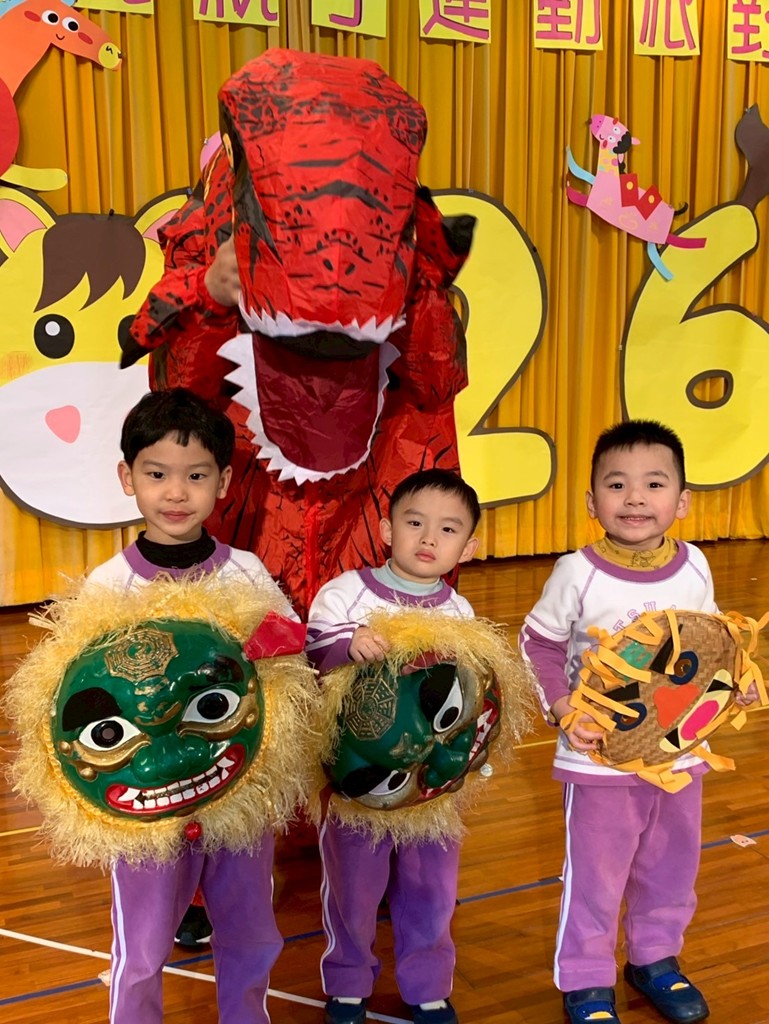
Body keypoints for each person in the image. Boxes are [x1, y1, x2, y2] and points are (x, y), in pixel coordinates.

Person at [520, 420, 758, 1024]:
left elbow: (709, 643)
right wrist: (563, 708)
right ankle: (586, 978)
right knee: (597, 875)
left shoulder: (695, 564)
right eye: (616, 484)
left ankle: (655, 958)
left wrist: (739, 679)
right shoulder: (577, 572)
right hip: (598, 759)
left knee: (671, 866)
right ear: (590, 500)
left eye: (654, 484)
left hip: (680, 755)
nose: (634, 498)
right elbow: (536, 644)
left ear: (682, 501)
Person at [85, 387, 296, 1024]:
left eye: (196, 476)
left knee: (250, 932)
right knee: (144, 944)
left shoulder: (246, 572)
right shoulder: (108, 586)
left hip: (237, 795)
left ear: (224, 482)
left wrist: (263, 643)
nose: (176, 493)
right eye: (157, 475)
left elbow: (288, 654)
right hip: (146, 806)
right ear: (127, 478)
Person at [305, 468, 481, 1024]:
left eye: (448, 529)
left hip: (432, 791)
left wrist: (468, 760)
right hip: (357, 787)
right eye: (414, 522)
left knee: (433, 890)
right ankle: (348, 982)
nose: (429, 538)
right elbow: (310, 651)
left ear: (468, 547)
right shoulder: (345, 593)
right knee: (353, 891)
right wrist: (347, 643)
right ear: (386, 529)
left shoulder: (460, 614)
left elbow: (471, 698)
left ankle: (428, 986)